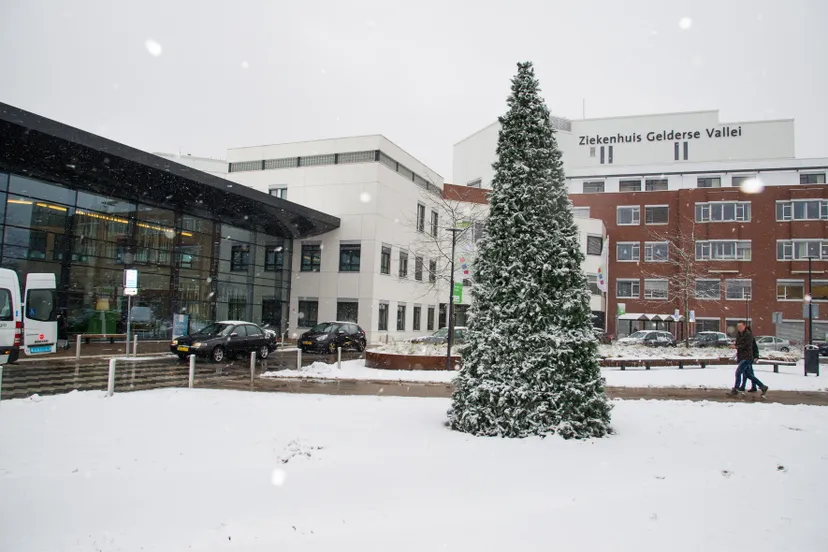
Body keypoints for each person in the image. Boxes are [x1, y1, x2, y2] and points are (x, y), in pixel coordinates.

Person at [730, 321, 768, 396]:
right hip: (741, 356)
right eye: (738, 327)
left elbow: (747, 345)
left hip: (747, 357)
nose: (739, 328)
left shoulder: (748, 334)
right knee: (748, 374)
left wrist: (737, 347)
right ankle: (762, 386)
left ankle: (736, 389)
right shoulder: (739, 334)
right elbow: (739, 343)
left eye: (740, 327)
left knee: (738, 372)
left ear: (744, 326)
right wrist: (734, 345)